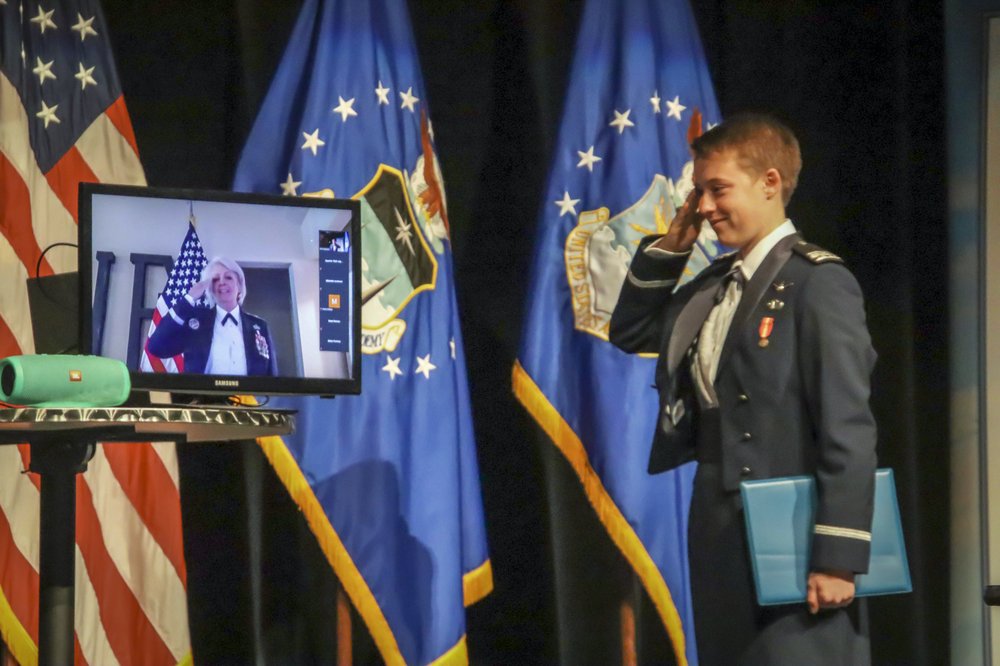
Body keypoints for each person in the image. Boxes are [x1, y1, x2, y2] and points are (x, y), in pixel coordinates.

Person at [609, 114, 877, 665]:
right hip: (718, 527)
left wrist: (838, 553)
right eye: (698, 192)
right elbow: (631, 330)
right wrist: (672, 247)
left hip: (798, 535)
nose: (703, 207)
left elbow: (846, 425)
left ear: (771, 183)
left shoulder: (819, 282)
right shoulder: (712, 285)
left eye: (718, 189)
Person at [147, 256, 278, 376]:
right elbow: (156, 347)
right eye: (215, 279)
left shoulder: (259, 326)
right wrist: (188, 299)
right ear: (209, 288)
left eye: (228, 277)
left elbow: (271, 377)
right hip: (204, 400)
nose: (222, 282)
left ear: (239, 284)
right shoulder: (196, 323)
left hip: (249, 400)